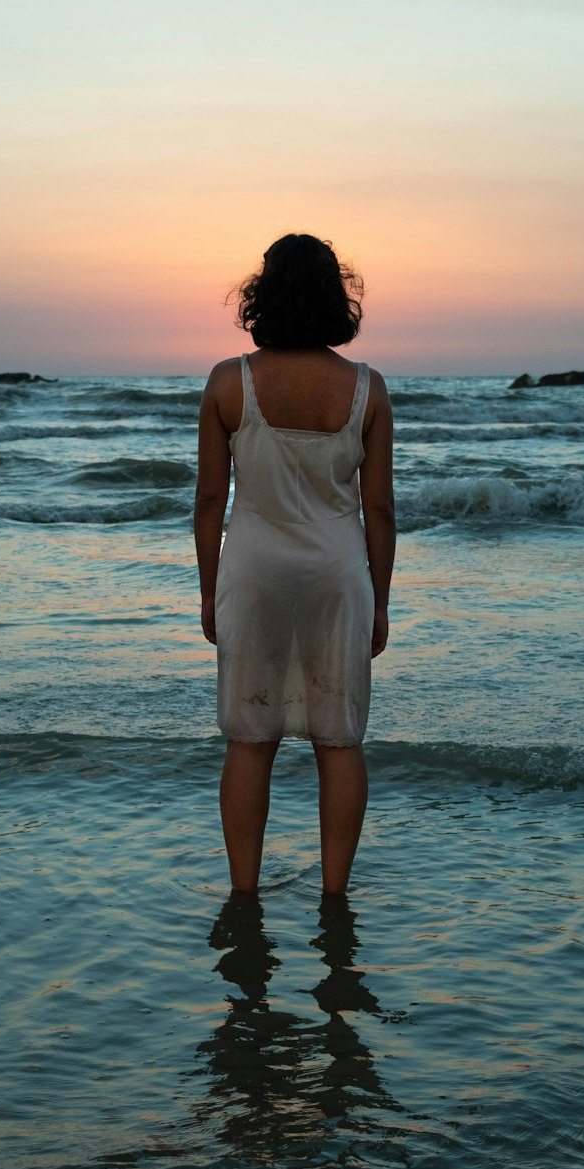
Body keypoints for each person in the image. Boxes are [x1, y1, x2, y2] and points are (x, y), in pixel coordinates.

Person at [194, 233, 395, 895]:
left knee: (251, 741)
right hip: (338, 577)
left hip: (252, 574)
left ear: (264, 295)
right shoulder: (367, 389)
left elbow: (206, 502)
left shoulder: (230, 383)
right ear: (336, 298)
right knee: (338, 743)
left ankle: (244, 892)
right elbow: (380, 511)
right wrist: (382, 601)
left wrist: (206, 594)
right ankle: (334, 896)